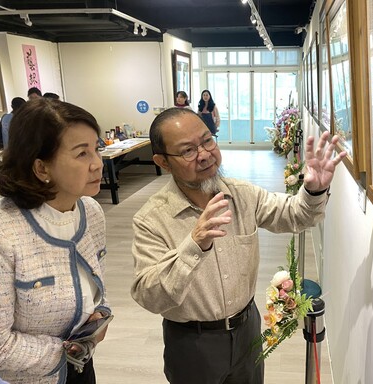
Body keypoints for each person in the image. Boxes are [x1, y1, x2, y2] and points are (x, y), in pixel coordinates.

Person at [130, 107, 346, 384]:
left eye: (208, 140)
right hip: (191, 343)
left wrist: (314, 190)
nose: (205, 154)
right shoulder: (152, 219)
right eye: (188, 151)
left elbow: (296, 215)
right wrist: (194, 244)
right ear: (162, 162)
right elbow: (149, 295)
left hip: (247, 329)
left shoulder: (242, 195)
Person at [0, 98, 112, 384]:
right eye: (82, 154)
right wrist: (66, 352)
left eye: (96, 149)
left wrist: (100, 314)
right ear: (41, 168)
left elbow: (96, 284)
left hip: (82, 365)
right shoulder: (3, 231)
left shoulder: (91, 212)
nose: (97, 164)